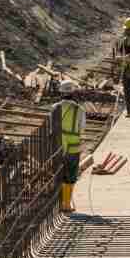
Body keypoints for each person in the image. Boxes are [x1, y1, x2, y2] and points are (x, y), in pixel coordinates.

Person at [54, 80, 86, 214]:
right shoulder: (80, 109)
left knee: (58, 175)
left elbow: (51, 126)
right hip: (73, 147)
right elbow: (82, 128)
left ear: (61, 93)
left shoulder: (55, 107)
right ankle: (66, 204)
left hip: (57, 147)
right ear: (73, 93)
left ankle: (59, 203)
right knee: (71, 176)